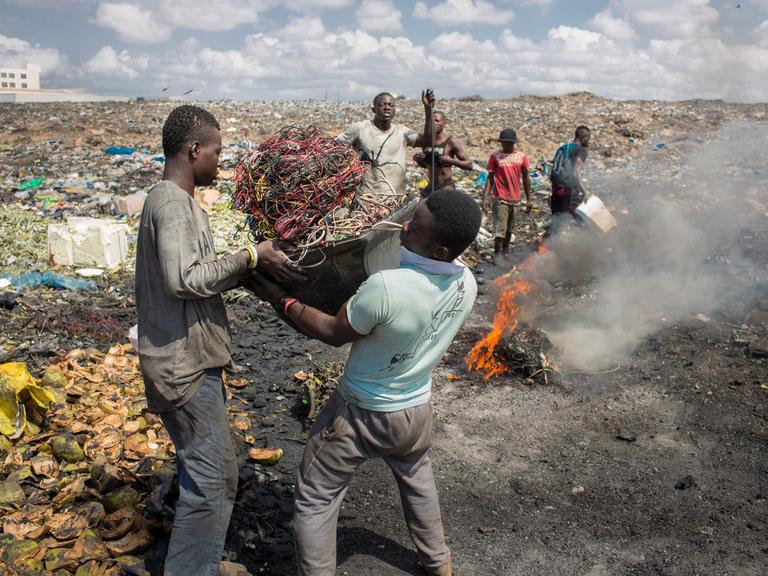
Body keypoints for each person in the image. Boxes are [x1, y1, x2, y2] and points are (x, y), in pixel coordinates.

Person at [251, 189, 482, 576]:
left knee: (316, 499)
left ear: (441, 250)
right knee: (417, 478)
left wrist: (283, 300)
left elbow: (332, 331)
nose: (404, 226)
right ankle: (438, 561)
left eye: (416, 226)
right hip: (415, 410)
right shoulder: (467, 282)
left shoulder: (387, 286)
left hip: (360, 413)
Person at [135, 105, 306, 576]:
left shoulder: (179, 202)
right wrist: (250, 255)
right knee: (210, 482)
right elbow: (183, 279)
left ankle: (199, 563)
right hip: (182, 364)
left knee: (214, 474)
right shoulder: (171, 203)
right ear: (194, 150)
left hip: (187, 357)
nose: (220, 163)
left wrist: (253, 271)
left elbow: (200, 278)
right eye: (217, 152)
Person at [338, 90, 435, 201]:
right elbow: (335, 147)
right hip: (368, 198)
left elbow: (428, 141)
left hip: (397, 198)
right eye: (382, 105)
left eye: (390, 105)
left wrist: (428, 109)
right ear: (373, 109)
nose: (387, 107)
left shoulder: (401, 131)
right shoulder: (360, 129)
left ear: (394, 109)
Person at [481, 128, 532, 263]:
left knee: (510, 230)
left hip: (515, 199)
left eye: (509, 143)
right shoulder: (495, 156)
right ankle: (497, 256)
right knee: (500, 230)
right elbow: (490, 177)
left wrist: (529, 199)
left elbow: (526, 178)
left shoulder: (522, 157)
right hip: (500, 198)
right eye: (504, 142)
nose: (506, 145)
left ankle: (505, 253)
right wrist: (485, 197)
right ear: (501, 143)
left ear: (513, 143)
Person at [413, 110, 473, 197]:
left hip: (446, 187)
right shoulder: (426, 142)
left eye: (437, 121)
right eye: (431, 121)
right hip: (431, 187)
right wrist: (419, 160)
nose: (434, 123)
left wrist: (452, 161)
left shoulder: (450, 142)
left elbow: (469, 165)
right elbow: (428, 165)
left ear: (444, 122)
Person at [550, 125, 591, 216]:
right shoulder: (580, 150)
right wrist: (584, 191)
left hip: (555, 190)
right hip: (567, 192)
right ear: (583, 138)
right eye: (588, 138)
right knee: (568, 222)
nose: (589, 141)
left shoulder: (564, 148)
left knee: (557, 220)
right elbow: (575, 172)